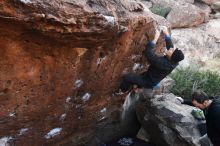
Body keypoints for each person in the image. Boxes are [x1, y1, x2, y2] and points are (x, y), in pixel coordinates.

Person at [113, 26, 184, 95]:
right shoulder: (173, 60)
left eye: (172, 51)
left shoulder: (164, 64)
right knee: (138, 80)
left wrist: (155, 38)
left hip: (148, 81)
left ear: (171, 57)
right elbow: (170, 47)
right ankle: (138, 87)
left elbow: (149, 54)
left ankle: (122, 91)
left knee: (127, 78)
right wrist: (166, 34)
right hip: (152, 77)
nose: (171, 49)